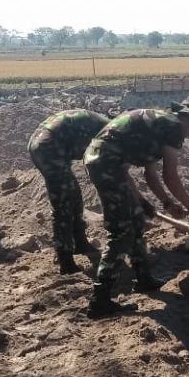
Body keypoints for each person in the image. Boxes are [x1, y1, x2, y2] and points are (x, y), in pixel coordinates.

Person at [83, 95, 189, 317]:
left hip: (104, 160)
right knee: (122, 231)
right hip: (107, 163)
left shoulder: (160, 125)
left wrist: (167, 203)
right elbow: (170, 176)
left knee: (136, 219)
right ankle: (100, 300)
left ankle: (143, 278)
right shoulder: (173, 128)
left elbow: (151, 175)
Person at [27, 109, 111, 275]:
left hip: (46, 144)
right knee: (63, 204)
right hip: (48, 148)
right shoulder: (109, 135)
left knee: (75, 194)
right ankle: (65, 261)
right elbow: (98, 168)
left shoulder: (104, 125)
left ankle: (80, 242)